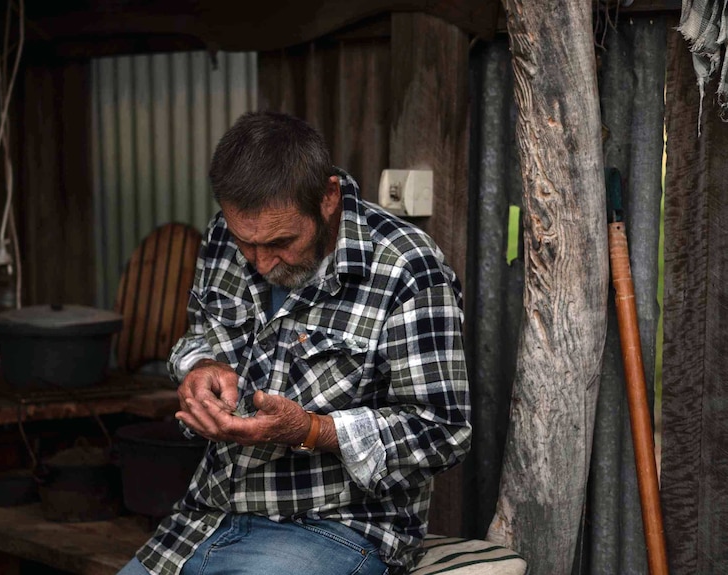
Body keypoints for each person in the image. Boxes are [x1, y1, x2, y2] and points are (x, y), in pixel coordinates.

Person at [117, 110, 471, 575]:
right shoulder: (225, 235)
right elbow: (202, 334)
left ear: (327, 197)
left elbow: (443, 430)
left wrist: (310, 431)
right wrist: (200, 366)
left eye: (281, 242)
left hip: (340, 527)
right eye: (247, 245)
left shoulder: (407, 268)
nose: (261, 262)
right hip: (206, 515)